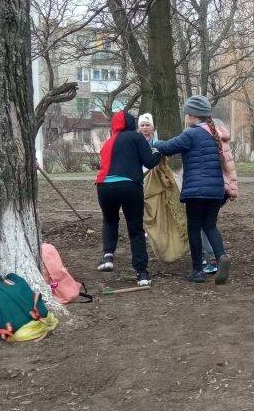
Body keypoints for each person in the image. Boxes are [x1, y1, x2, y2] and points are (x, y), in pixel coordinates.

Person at [152, 95, 232, 285]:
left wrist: (153, 143)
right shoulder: (214, 133)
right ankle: (221, 256)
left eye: (186, 113)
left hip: (196, 191)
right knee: (210, 225)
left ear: (193, 115)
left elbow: (168, 147)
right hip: (216, 191)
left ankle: (197, 270)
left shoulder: (192, 133)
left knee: (194, 228)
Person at [95, 110, 161, 286]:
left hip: (104, 187)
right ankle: (142, 274)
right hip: (129, 186)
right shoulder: (136, 137)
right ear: (132, 124)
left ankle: (108, 256)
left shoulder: (108, 142)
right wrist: (158, 152)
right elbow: (149, 162)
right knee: (136, 229)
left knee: (110, 221)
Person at [200, 119, 238, 276]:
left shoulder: (207, 138)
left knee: (203, 224)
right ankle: (215, 257)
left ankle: (213, 258)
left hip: (211, 187)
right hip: (223, 188)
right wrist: (232, 188)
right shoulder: (223, 140)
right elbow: (230, 167)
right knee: (208, 223)